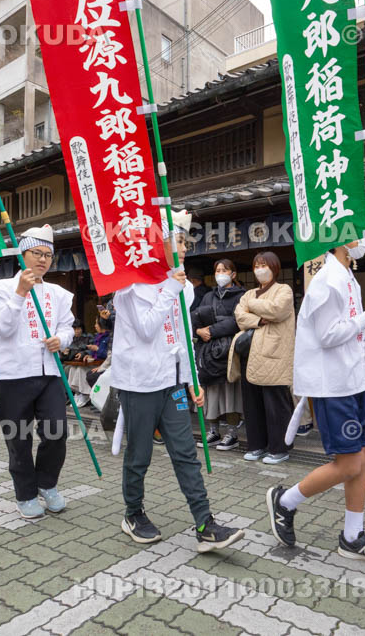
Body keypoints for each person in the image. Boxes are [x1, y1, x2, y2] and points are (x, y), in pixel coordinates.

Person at [110, 210, 245, 553]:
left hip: (172, 383)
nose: (184, 248)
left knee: (186, 453)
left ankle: (205, 524)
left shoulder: (181, 290)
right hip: (139, 384)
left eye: (185, 242)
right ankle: (133, 513)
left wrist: (191, 379)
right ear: (157, 245)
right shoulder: (129, 288)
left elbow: (182, 336)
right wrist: (172, 285)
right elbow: (147, 328)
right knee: (139, 454)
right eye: (178, 241)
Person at [265, 238, 365, 566]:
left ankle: (353, 536)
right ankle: (285, 500)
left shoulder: (347, 276)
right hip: (333, 387)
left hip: (355, 382)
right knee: (351, 462)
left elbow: (350, 340)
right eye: (358, 234)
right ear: (342, 239)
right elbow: (328, 335)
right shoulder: (327, 279)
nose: (363, 242)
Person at [0, 225, 75, 520]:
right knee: (18, 438)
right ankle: (25, 494)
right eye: (37, 253)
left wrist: (63, 339)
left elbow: (68, 326)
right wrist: (20, 292)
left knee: (56, 431)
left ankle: (47, 483)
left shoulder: (59, 293)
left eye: (48, 255)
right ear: (23, 254)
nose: (43, 260)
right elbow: (3, 328)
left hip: (49, 373)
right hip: (13, 376)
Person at [230, 252, 296, 464]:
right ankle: (256, 445)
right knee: (252, 404)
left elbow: (277, 310)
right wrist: (258, 319)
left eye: (264, 265)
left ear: (274, 268)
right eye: (257, 265)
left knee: (275, 403)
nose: (260, 269)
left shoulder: (284, 290)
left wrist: (251, 305)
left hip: (274, 354)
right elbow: (239, 316)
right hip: (250, 354)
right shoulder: (249, 292)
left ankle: (280, 448)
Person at [191, 258, 245, 450]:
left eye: (225, 270)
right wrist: (198, 331)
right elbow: (194, 318)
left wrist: (212, 329)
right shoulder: (208, 296)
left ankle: (232, 433)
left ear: (233, 274)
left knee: (230, 392)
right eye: (218, 270)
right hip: (208, 352)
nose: (220, 273)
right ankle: (213, 431)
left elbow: (237, 321)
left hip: (230, 350)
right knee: (211, 392)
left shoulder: (241, 296)